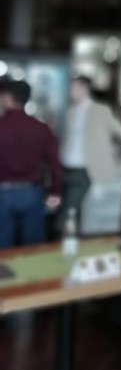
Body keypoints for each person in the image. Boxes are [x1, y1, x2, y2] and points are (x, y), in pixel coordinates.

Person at [55, 75, 121, 232]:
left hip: (83, 169)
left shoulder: (100, 111)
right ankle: (71, 237)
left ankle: (60, 237)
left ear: (84, 88)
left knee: (68, 210)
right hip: (65, 167)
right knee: (73, 209)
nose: (70, 91)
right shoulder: (70, 111)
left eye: (73, 87)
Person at [0, 78, 62, 247]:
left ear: (7, 97)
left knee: (3, 249)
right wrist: (54, 192)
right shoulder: (41, 128)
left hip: (2, 193)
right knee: (32, 247)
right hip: (32, 193)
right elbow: (54, 165)